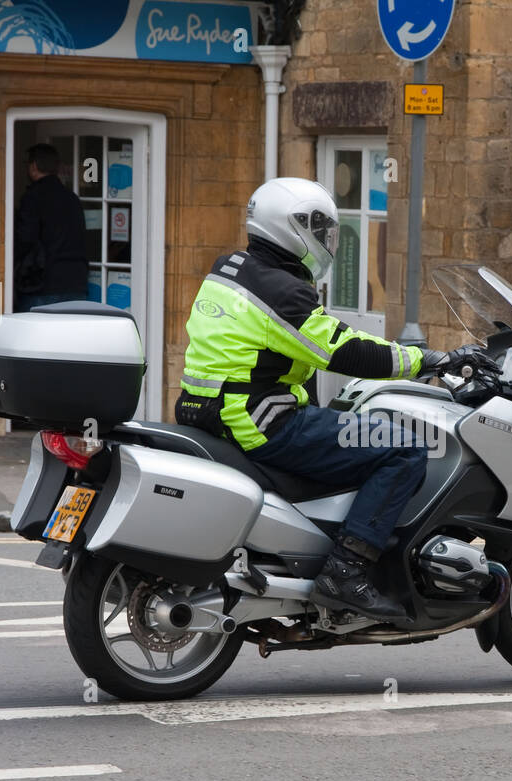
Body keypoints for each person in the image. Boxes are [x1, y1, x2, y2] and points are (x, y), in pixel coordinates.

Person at [177, 178, 491, 622]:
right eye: (322, 229)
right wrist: (430, 360)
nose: (327, 241)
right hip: (260, 420)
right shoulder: (284, 292)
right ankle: (346, 571)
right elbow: (343, 350)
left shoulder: (230, 268)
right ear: (295, 227)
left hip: (204, 410)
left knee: (346, 426)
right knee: (404, 448)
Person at [13, 143, 88, 312]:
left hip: (44, 285)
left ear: (33, 167)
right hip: (76, 284)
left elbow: (25, 239)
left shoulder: (33, 198)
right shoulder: (72, 199)